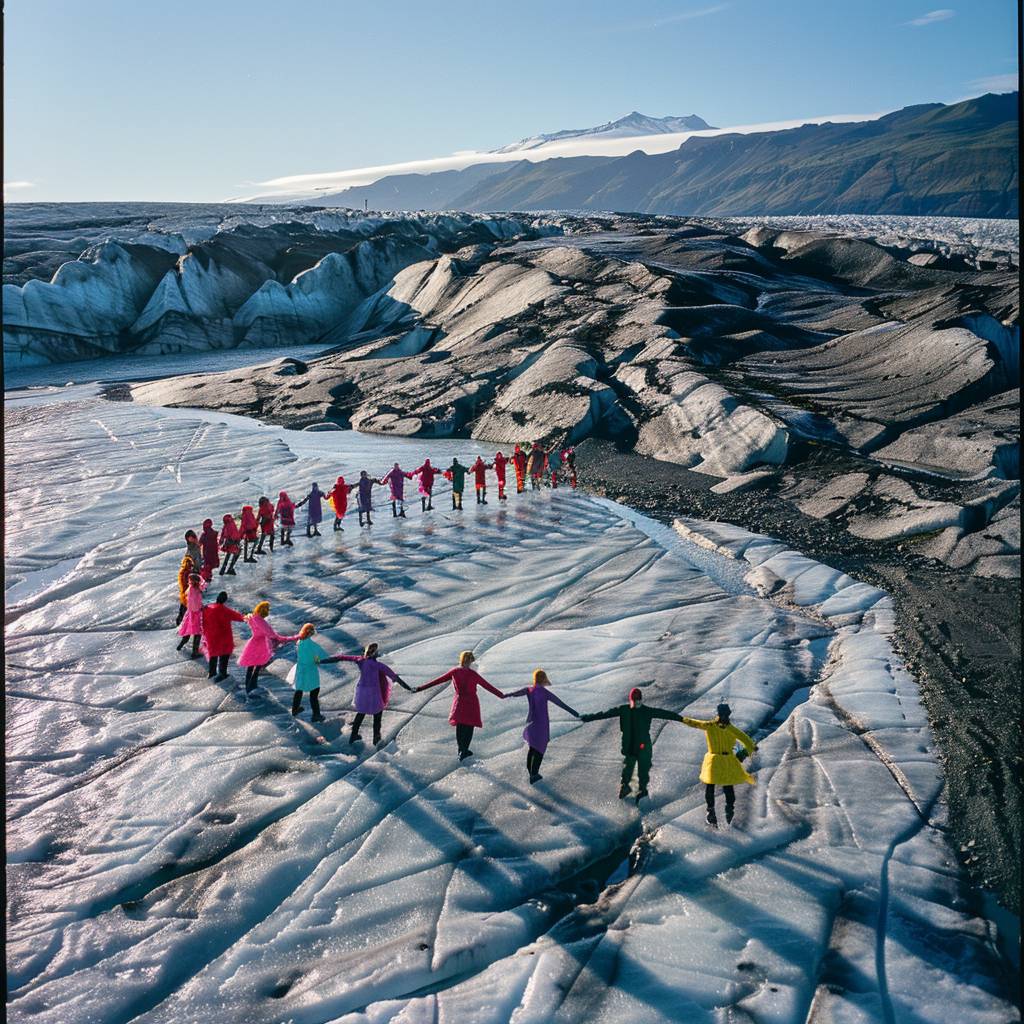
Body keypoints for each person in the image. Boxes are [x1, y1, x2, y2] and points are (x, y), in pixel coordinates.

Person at [579, 687, 683, 801]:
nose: (636, 702)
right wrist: (589, 717)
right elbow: (605, 714)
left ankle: (639, 790)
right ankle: (629, 788)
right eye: (635, 700)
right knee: (631, 765)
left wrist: (680, 718)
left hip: (640, 745)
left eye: (637, 700)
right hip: (634, 745)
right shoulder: (629, 710)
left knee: (638, 767)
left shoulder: (632, 710)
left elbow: (664, 713)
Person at [416, 650, 506, 761]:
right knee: (469, 726)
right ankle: (464, 750)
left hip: (460, 702)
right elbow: (488, 686)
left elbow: (437, 681)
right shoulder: (473, 674)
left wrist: (420, 688)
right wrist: (501, 695)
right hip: (472, 702)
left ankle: (461, 750)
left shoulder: (455, 672)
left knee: (461, 726)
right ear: (469, 661)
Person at [681, 702, 757, 826]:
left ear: (728, 715)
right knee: (712, 785)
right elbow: (695, 723)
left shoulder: (731, 729)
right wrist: (681, 719)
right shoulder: (712, 726)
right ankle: (711, 811)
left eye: (726, 715)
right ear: (719, 714)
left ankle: (728, 809)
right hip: (715, 760)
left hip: (725, 761)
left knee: (726, 786)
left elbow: (749, 743)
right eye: (722, 715)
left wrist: (743, 754)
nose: (724, 717)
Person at [508, 669, 579, 783]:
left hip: (531, 722)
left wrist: (505, 695)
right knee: (540, 748)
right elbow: (560, 703)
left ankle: (531, 772)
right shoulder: (544, 692)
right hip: (542, 723)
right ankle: (534, 774)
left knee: (532, 747)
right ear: (543, 679)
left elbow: (516, 693)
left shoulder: (529, 690)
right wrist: (574, 712)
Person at [335, 642, 410, 744]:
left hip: (361, 692)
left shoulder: (360, 660)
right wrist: (409, 688)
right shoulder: (378, 665)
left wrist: (321, 661)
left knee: (361, 713)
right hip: (374, 693)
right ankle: (376, 739)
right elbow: (395, 677)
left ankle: (353, 736)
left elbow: (341, 657)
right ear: (375, 653)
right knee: (377, 716)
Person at [238, 601, 298, 694]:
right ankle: (252, 687)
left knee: (251, 666)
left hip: (254, 642)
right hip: (261, 644)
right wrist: (294, 637)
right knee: (257, 667)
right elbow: (272, 635)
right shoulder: (260, 620)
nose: (268, 611)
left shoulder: (253, 617)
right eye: (267, 609)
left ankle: (249, 686)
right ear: (264, 610)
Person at [288, 623, 337, 722]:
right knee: (314, 691)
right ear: (311, 633)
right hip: (310, 669)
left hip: (300, 668)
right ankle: (316, 715)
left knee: (299, 689)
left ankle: (295, 709)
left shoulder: (299, 642)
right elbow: (318, 658)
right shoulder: (311, 645)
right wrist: (318, 660)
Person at [201, 590, 246, 680]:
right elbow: (240, 617)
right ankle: (223, 673)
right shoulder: (225, 610)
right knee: (224, 655)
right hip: (223, 636)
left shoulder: (207, 608)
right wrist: (252, 616)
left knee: (213, 655)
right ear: (225, 600)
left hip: (211, 636)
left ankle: (212, 673)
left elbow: (201, 619)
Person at [176, 573, 207, 657]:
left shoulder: (191, 589)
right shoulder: (195, 591)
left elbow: (192, 603)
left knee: (188, 631)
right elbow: (195, 605)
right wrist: (202, 608)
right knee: (197, 633)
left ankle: (180, 646)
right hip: (195, 615)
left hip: (189, 614)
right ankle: (194, 652)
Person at [176, 555, 195, 626]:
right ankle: (183, 624)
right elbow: (188, 584)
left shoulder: (182, 572)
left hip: (183, 593)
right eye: (191, 565)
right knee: (186, 610)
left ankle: (179, 623)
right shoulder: (186, 573)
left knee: (182, 609)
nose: (191, 567)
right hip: (187, 594)